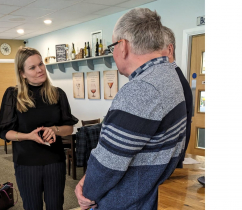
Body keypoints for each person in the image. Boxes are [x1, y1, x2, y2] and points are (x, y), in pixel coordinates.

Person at [74, 8, 187, 210]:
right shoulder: (170, 75)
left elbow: (108, 163)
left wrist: (87, 193)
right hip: (148, 194)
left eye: (112, 46)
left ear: (123, 46)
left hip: (126, 202)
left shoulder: (142, 88)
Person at [0, 47, 78, 210]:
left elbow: (69, 128)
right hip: (27, 163)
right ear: (22, 73)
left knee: (56, 206)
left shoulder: (57, 94)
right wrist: (28, 136)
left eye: (40, 64)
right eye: (32, 67)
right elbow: (3, 131)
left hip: (54, 161)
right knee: (32, 206)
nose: (40, 70)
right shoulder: (13, 95)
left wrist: (54, 129)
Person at [161, 26, 193, 168]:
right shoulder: (170, 78)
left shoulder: (175, 80)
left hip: (168, 164)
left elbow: (183, 127)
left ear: (169, 50)